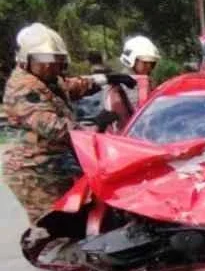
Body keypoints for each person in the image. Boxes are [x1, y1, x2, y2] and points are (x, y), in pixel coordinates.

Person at [3, 22, 134, 223]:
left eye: (56, 60)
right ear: (27, 60)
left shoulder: (48, 78)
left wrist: (107, 79)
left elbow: (71, 86)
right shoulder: (23, 88)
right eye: (44, 61)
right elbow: (54, 127)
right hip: (34, 173)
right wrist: (95, 126)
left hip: (57, 164)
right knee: (55, 225)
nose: (51, 66)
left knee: (79, 216)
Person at [119, 35, 160, 110]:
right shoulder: (124, 84)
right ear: (132, 60)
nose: (149, 66)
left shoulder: (148, 80)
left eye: (151, 63)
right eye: (145, 62)